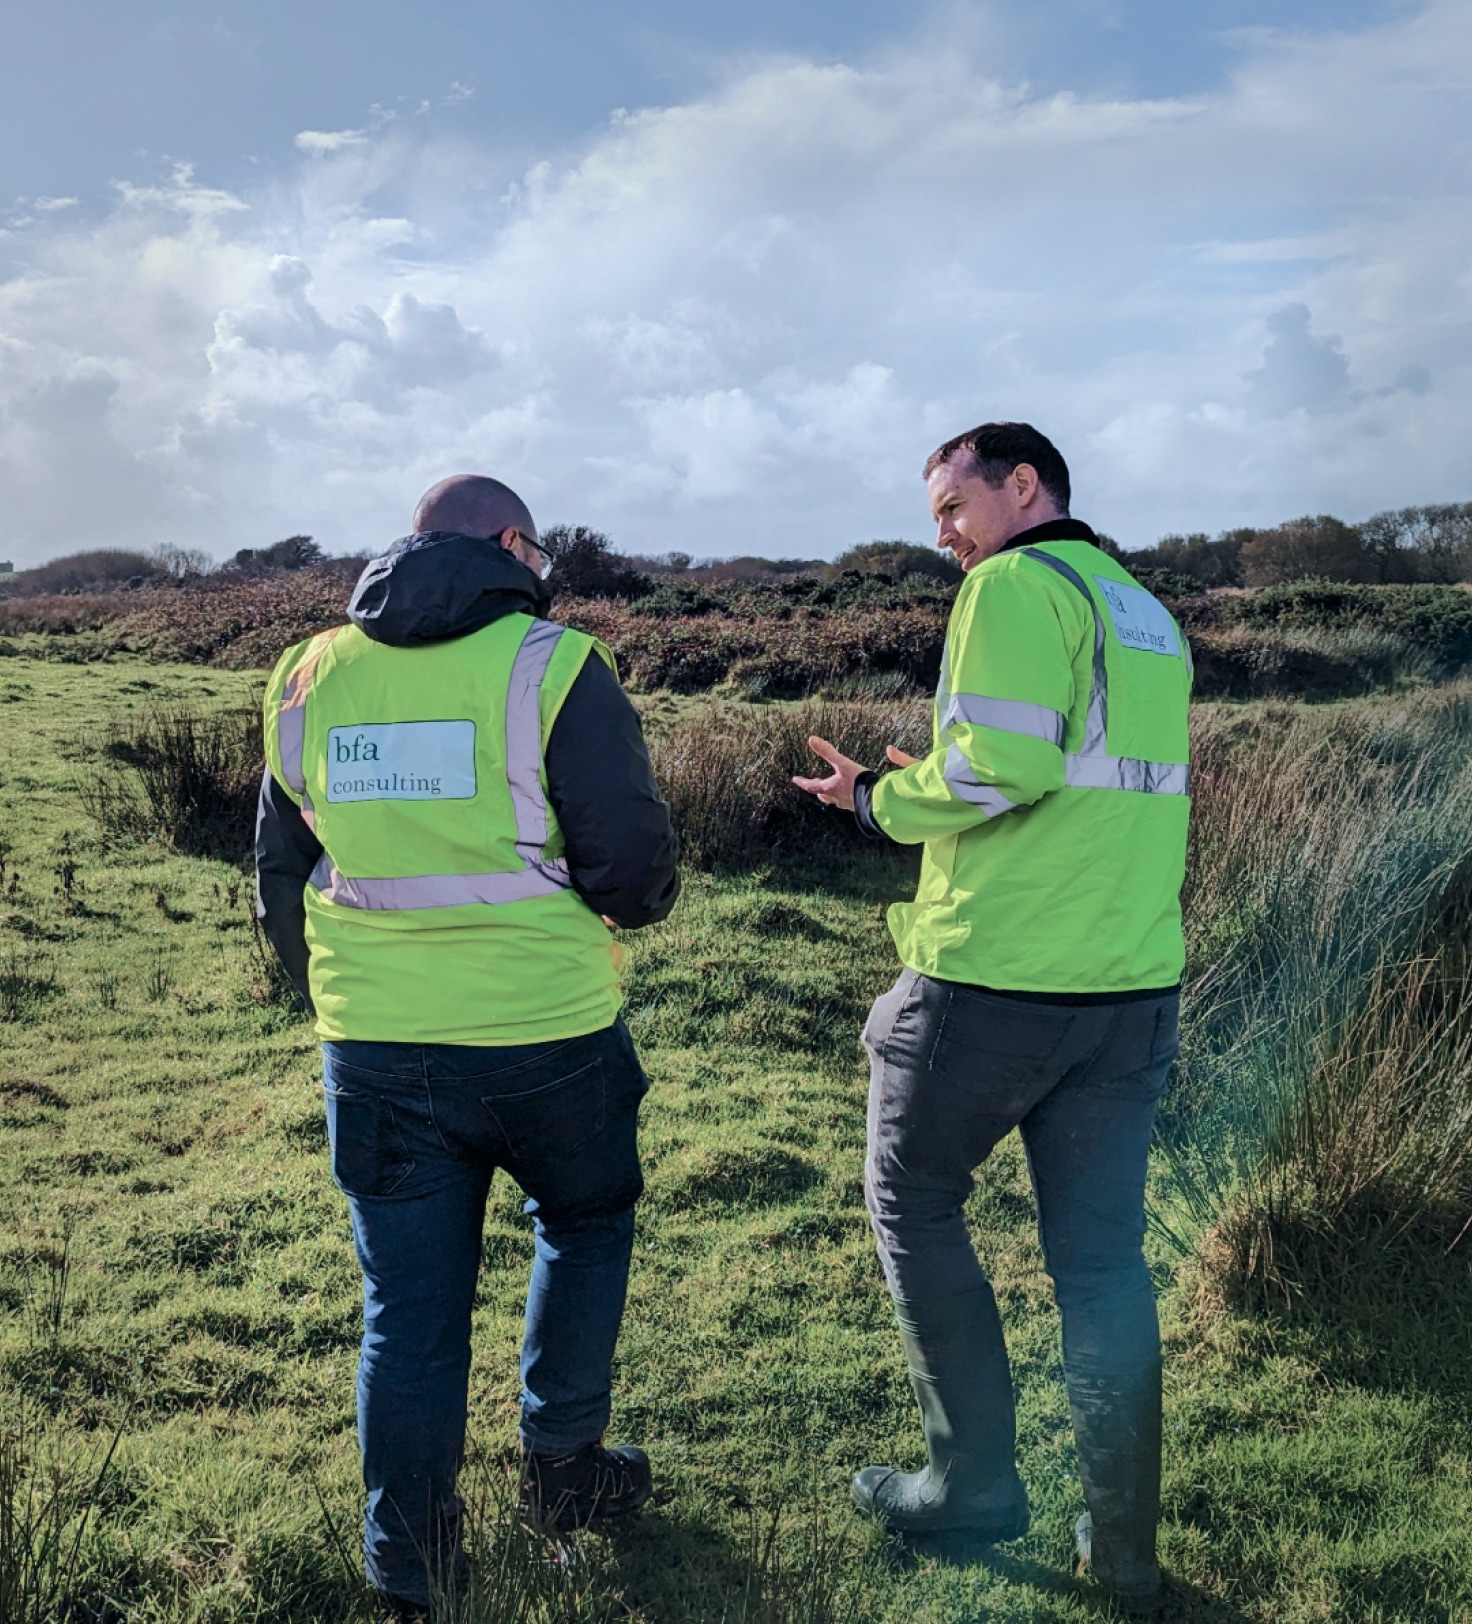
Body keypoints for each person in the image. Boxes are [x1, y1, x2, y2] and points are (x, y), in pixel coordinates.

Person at [255, 475, 679, 1622]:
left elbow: (278, 871)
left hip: (376, 1049)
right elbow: (633, 870)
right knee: (584, 1224)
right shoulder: (554, 663)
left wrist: (336, 998)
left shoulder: (306, 672)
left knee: (407, 1306)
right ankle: (564, 1472)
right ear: (510, 544)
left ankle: (411, 1570)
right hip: (547, 1032)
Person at [793, 423, 1191, 1613]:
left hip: (993, 981)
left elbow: (995, 772)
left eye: (952, 506)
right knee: (1103, 1266)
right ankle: (1120, 1550)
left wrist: (876, 797)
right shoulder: (1141, 610)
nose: (945, 537)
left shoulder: (1013, 583)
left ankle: (969, 1485)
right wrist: (959, 763)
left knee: (911, 1203)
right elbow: (1061, 771)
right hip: (1125, 989)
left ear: (1022, 486)